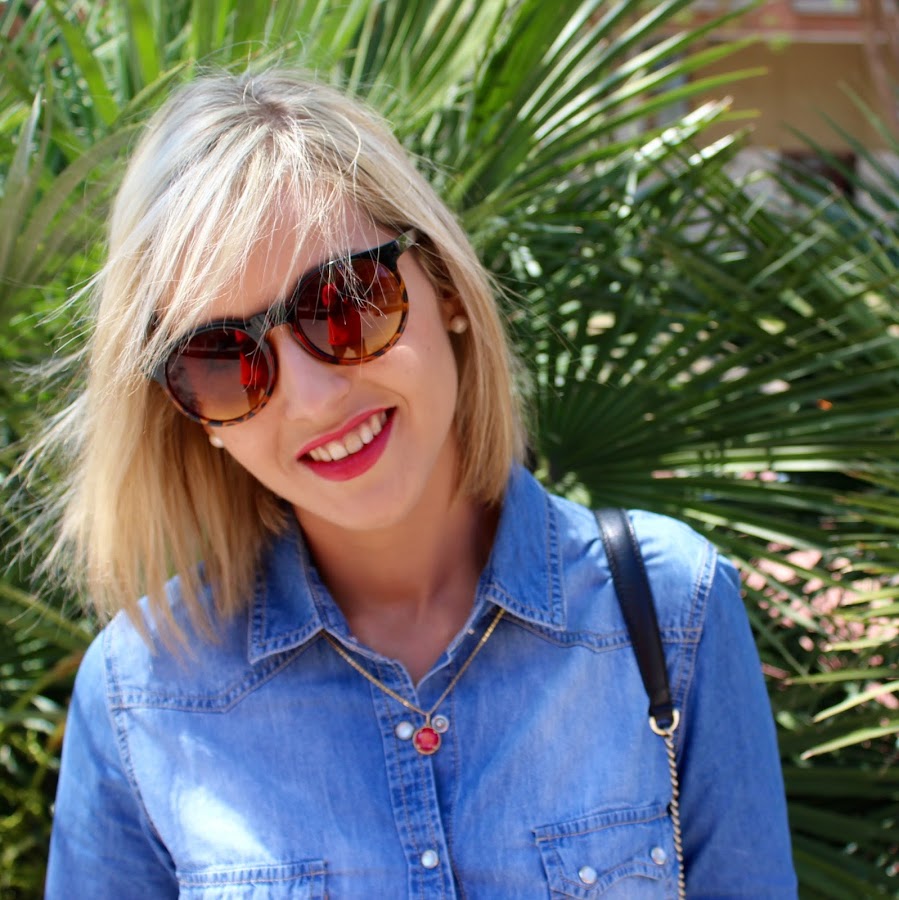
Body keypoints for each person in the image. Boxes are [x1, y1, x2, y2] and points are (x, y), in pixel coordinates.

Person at [43, 69, 797, 898]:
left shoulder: (668, 609)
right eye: (223, 360)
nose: (312, 399)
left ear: (444, 287)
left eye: (346, 303)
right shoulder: (139, 694)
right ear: (195, 415)